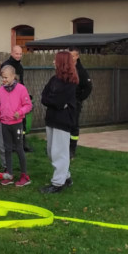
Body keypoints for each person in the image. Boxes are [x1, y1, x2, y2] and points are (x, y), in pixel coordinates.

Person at [40, 52, 78, 193]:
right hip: (51, 119)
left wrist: (55, 102)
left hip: (63, 122)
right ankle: (66, 176)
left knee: (59, 152)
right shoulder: (54, 79)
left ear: (61, 62)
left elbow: (59, 101)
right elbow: (44, 97)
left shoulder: (71, 83)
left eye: (55, 60)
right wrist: (54, 102)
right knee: (51, 152)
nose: (53, 62)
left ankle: (57, 184)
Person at [0, 65, 32, 187]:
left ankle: (24, 175)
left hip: (17, 124)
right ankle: (9, 174)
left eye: (5, 77)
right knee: (7, 149)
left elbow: (28, 105)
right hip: (5, 124)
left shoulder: (21, 89)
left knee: (19, 148)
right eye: (2, 77)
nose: (3, 80)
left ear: (13, 76)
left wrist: (20, 112)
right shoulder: (1, 90)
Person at [1, 45, 33, 152]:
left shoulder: (20, 67)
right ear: (12, 53)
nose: (19, 56)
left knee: (21, 121)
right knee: (11, 121)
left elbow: (21, 83)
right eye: (16, 53)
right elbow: (3, 83)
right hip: (9, 97)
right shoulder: (6, 65)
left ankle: (22, 143)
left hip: (19, 96)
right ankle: (13, 145)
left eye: (20, 54)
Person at [68, 47, 93, 160]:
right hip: (65, 102)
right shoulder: (66, 68)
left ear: (77, 57)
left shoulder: (81, 71)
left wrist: (79, 99)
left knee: (74, 127)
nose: (71, 58)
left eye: (73, 56)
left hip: (75, 103)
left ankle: (72, 150)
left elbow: (88, 87)